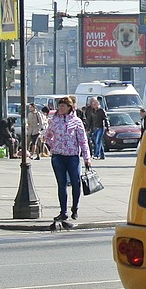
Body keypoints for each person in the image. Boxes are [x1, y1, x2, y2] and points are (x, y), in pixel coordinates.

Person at [43, 95, 91, 226]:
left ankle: (75, 208)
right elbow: (47, 135)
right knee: (61, 184)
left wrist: (87, 157)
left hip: (72, 156)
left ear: (70, 108)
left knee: (76, 182)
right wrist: (52, 145)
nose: (60, 108)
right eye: (59, 106)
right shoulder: (54, 121)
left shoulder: (76, 121)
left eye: (63, 106)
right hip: (58, 156)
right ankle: (63, 211)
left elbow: (83, 141)